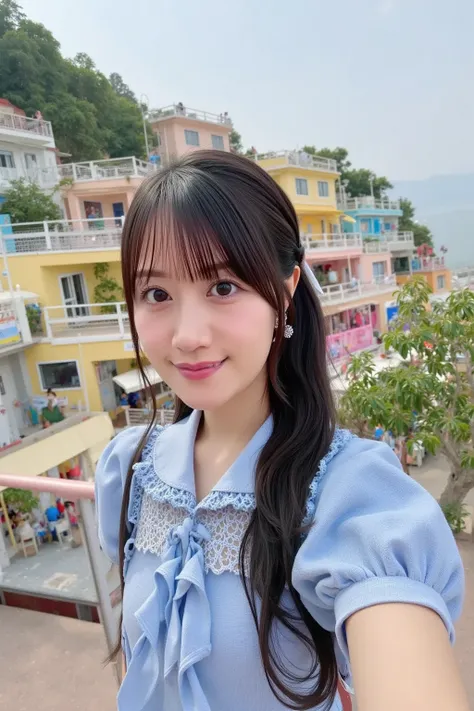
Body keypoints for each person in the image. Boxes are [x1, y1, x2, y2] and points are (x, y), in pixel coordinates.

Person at [95, 151, 467, 711]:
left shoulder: (347, 491)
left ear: (286, 288)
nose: (187, 336)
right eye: (156, 294)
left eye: (223, 286)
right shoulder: (130, 469)